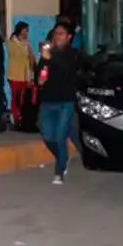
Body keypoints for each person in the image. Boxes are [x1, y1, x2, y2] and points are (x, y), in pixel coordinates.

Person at [36, 20, 84, 185]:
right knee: (47, 135)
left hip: (66, 101)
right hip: (48, 100)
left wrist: (51, 58)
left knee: (60, 135)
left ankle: (59, 171)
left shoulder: (73, 54)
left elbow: (66, 69)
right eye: (55, 34)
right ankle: (62, 157)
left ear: (69, 37)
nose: (57, 37)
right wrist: (43, 65)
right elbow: (41, 75)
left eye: (61, 34)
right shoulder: (48, 54)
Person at [5, 21, 35, 128]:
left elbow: (31, 58)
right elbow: (16, 55)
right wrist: (24, 46)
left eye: (27, 31)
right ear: (20, 30)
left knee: (23, 99)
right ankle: (16, 119)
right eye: (25, 30)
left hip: (25, 76)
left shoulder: (26, 44)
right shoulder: (11, 43)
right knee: (16, 98)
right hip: (14, 75)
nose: (26, 33)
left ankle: (22, 118)